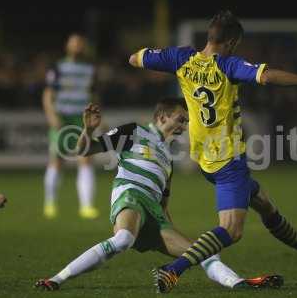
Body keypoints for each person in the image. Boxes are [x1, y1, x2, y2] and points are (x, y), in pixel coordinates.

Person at [128, 10, 297, 293]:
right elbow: (267, 76)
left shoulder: (182, 58)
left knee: (264, 204)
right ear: (231, 42)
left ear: (209, 35)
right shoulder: (228, 65)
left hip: (205, 159)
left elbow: (135, 58)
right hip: (228, 159)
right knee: (231, 230)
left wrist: (158, 58)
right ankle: (173, 270)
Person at [35, 101, 283, 291]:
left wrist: (169, 231)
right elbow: (84, 150)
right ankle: (57, 279)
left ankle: (239, 284)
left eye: (186, 122)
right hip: (131, 196)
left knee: (202, 252)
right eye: (180, 119)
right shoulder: (134, 132)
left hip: (153, 213)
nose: (184, 126)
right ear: (162, 116)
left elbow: (163, 205)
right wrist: (88, 130)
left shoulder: (168, 159)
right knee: (122, 240)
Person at [42, 33, 99, 219]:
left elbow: (93, 94)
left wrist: (97, 116)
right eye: (74, 43)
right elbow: (48, 94)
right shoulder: (58, 67)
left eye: (80, 44)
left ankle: (86, 206)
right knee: (57, 160)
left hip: (81, 119)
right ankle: (50, 203)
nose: (77, 47)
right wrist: (51, 115)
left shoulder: (90, 69)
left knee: (85, 158)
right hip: (63, 118)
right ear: (67, 46)